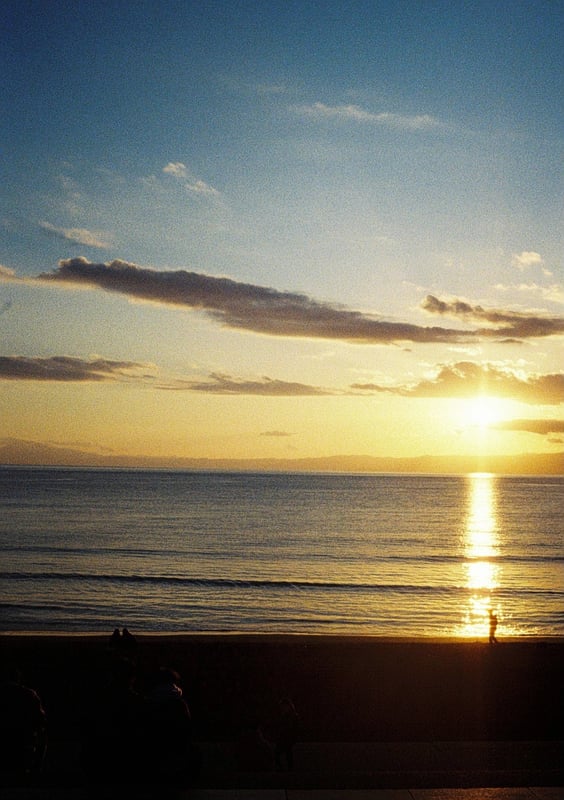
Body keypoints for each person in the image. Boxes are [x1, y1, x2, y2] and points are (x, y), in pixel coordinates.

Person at [0, 666, 47, 777]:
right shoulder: (29, 695)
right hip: (22, 744)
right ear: (18, 679)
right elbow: (41, 722)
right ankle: (36, 771)